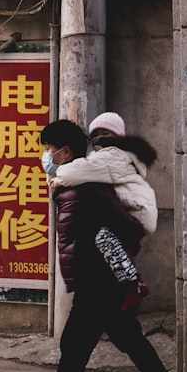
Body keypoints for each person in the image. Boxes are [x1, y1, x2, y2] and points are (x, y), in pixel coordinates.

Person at [13, 119, 187, 372]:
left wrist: (108, 256)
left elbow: (127, 225)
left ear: (65, 153)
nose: (46, 157)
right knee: (128, 338)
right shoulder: (75, 184)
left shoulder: (88, 187)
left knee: (75, 345)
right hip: (100, 280)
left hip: (99, 281)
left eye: (49, 151)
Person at [49, 111, 157, 310]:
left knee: (104, 238)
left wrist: (57, 177)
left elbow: (76, 170)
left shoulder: (111, 157)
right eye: (97, 132)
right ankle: (131, 285)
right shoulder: (111, 159)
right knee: (119, 325)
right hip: (136, 215)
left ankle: (133, 283)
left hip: (135, 216)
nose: (47, 155)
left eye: (105, 132)